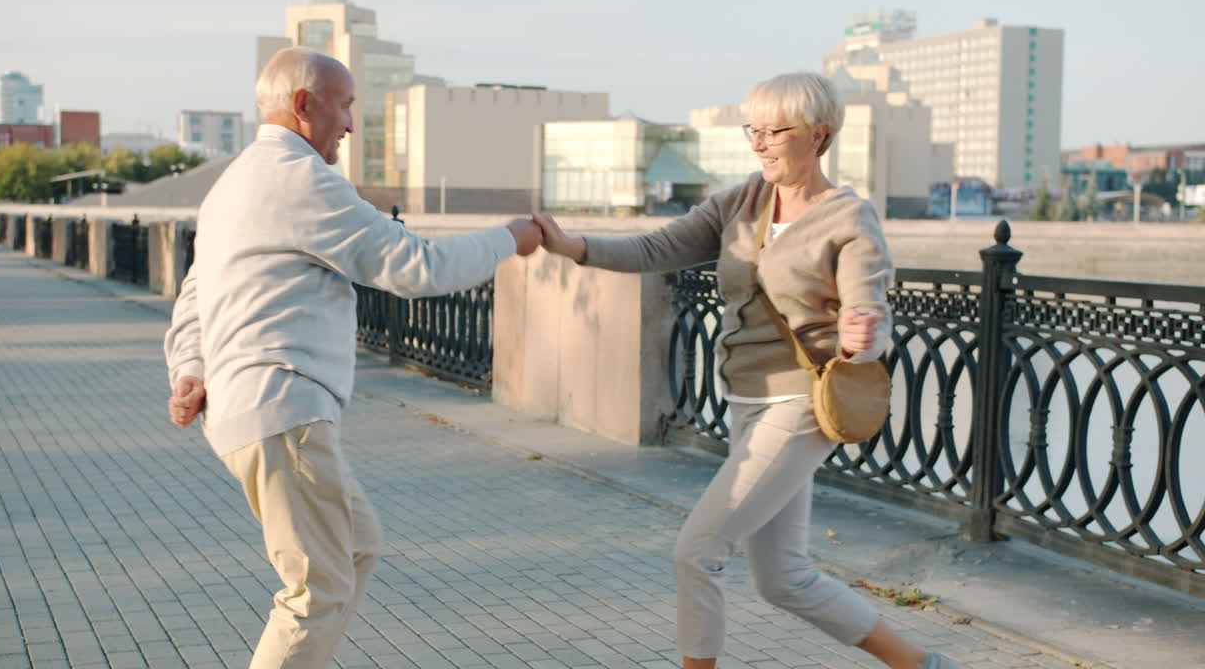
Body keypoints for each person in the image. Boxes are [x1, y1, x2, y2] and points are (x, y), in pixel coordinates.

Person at [532, 72, 963, 669]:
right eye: (752, 131)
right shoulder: (740, 203)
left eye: (774, 131)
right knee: (783, 578)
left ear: (818, 135)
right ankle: (926, 666)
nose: (759, 144)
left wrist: (862, 337)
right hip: (745, 398)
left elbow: (869, 306)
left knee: (698, 551)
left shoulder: (848, 217)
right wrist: (572, 245)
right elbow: (658, 249)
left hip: (800, 403)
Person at [163, 46, 542, 669]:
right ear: (304, 105)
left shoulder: (234, 181)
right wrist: (512, 237)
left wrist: (191, 370)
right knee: (318, 590)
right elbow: (419, 266)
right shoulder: (300, 179)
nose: (348, 124)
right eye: (344, 107)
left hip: (256, 409)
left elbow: (196, 296)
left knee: (358, 545)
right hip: (281, 408)